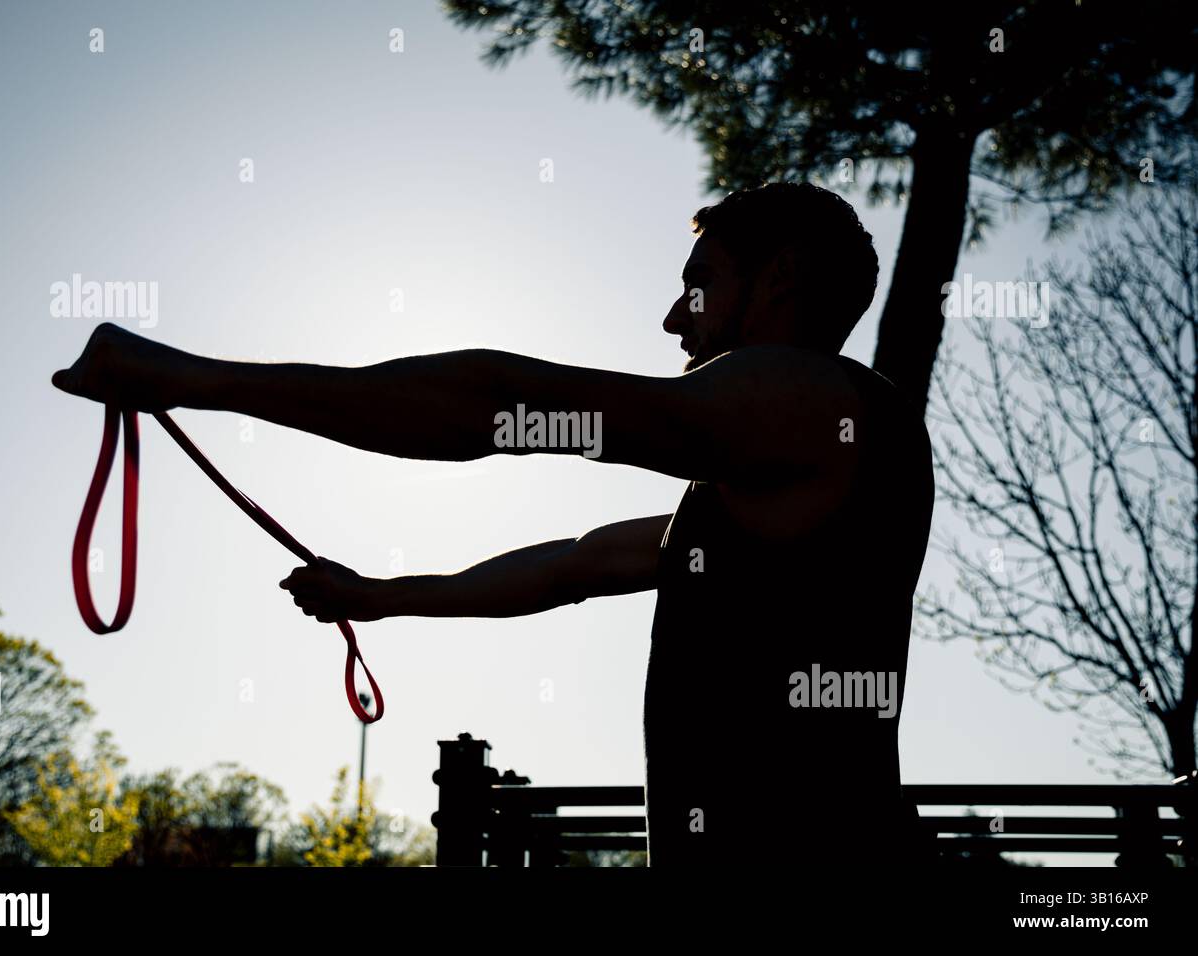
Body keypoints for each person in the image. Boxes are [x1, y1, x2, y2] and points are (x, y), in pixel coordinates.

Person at [53, 182, 936, 868]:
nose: (674, 317)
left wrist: (190, 379)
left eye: (700, 285)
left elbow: (499, 407)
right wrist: (380, 596)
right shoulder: (759, 489)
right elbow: (571, 567)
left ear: (778, 277)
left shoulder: (816, 401)